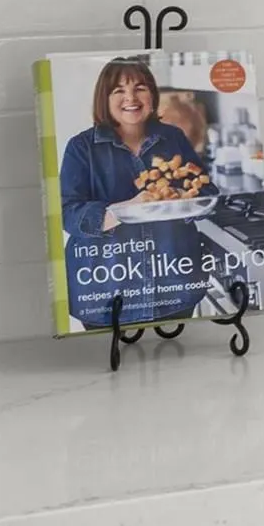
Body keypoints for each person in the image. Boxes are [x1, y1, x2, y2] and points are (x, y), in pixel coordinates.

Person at [57, 60, 208, 330]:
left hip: (175, 287)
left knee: (175, 352)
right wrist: (130, 208)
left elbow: (204, 189)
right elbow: (67, 214)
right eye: (118, 90)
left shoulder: (173, 137)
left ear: (152, 95)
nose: (131, 98)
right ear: (104, 99)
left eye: (140, 88)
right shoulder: (81, 147)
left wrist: (181, 197)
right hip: (105, 295)